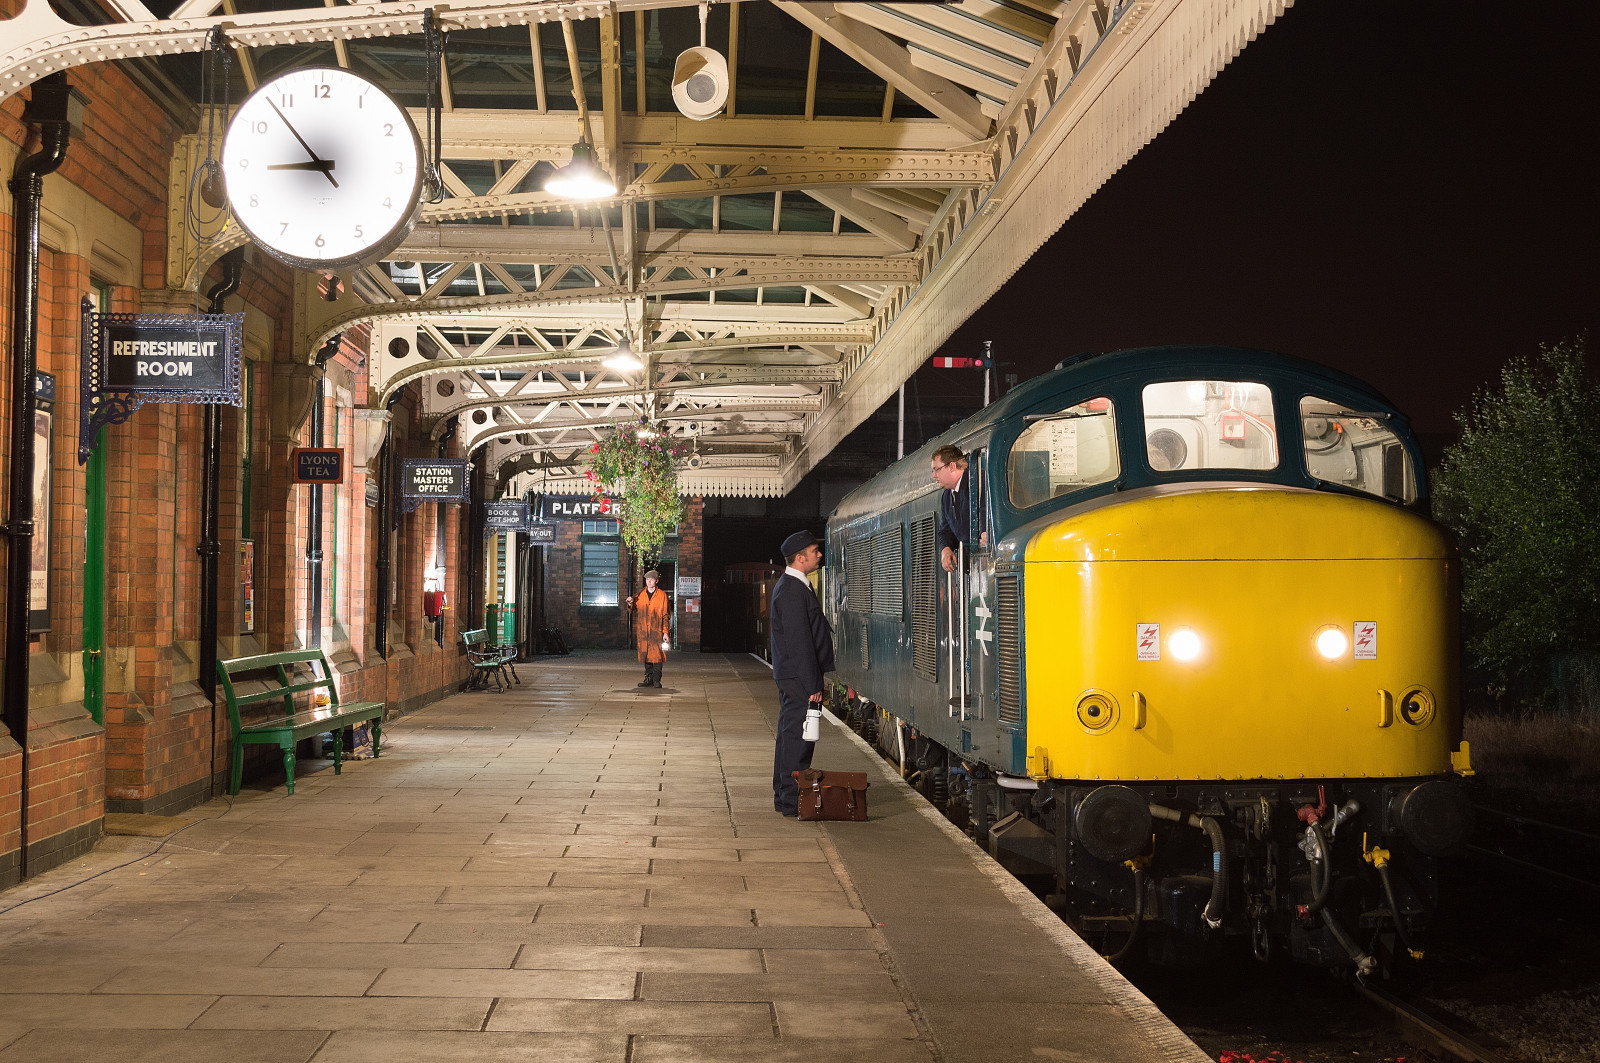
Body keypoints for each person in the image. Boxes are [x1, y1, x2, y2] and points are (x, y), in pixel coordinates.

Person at [770, 530, 835, 817]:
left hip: (794, 676)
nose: (819, 554)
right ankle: (790, 798)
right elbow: (800, 642)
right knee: (798, 738)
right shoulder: (792, 590)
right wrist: (813, 683)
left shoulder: (795, 586)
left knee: (792, 736)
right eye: (814, 551)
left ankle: (786, 796)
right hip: (798, 678)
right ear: (800, 558)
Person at [625, 569, 670, 687]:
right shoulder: (640, 595)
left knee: (657, 655)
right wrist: (629, 603)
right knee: (646, 654)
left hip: (656, 630)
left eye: (652, 579)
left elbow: (665, 615)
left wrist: (665, 632)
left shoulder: (662, 596)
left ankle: (656, 680)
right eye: (647, 579)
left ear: (656, 581)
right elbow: (632, 608)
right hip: (644, 631)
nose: (649, 581)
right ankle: (648, 678)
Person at [932, 444, 973, 573]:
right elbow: (945, 530)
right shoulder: (946, 496)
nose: (934, 475)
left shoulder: (976, 483)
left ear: (952, 466)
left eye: (936, 470)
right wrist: (946, 548)